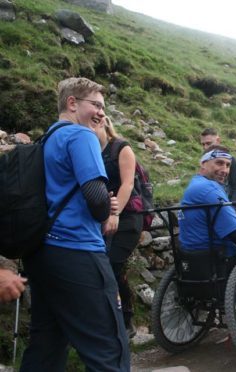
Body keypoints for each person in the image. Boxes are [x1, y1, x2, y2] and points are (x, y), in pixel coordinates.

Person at [21, 77, 129, 371]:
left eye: (103, 108)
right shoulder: (81, 137)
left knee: (46, 346)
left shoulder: (47, 139)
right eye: (96, 105)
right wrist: (108, 209)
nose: (101, 114)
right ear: (72, 103)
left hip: (44, 254)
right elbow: (95, 199)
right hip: (78, 250)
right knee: (109, 347)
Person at [94, 116, 142, 339]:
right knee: (107, 268)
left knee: (110, 266)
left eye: (96, 123)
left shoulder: (121, 148)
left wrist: (115, 214)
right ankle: (119, 319)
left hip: (128, 218)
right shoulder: (89, 150)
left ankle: (122, 322)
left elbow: (128, 183)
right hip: (101, 219)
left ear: (105, 123)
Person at [200, 128, 236, 204]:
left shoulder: (230, 160)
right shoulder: (204, 159)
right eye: (203, 144)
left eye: (208, 143)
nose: (205, 147)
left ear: (218, 141)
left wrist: (231, 207)